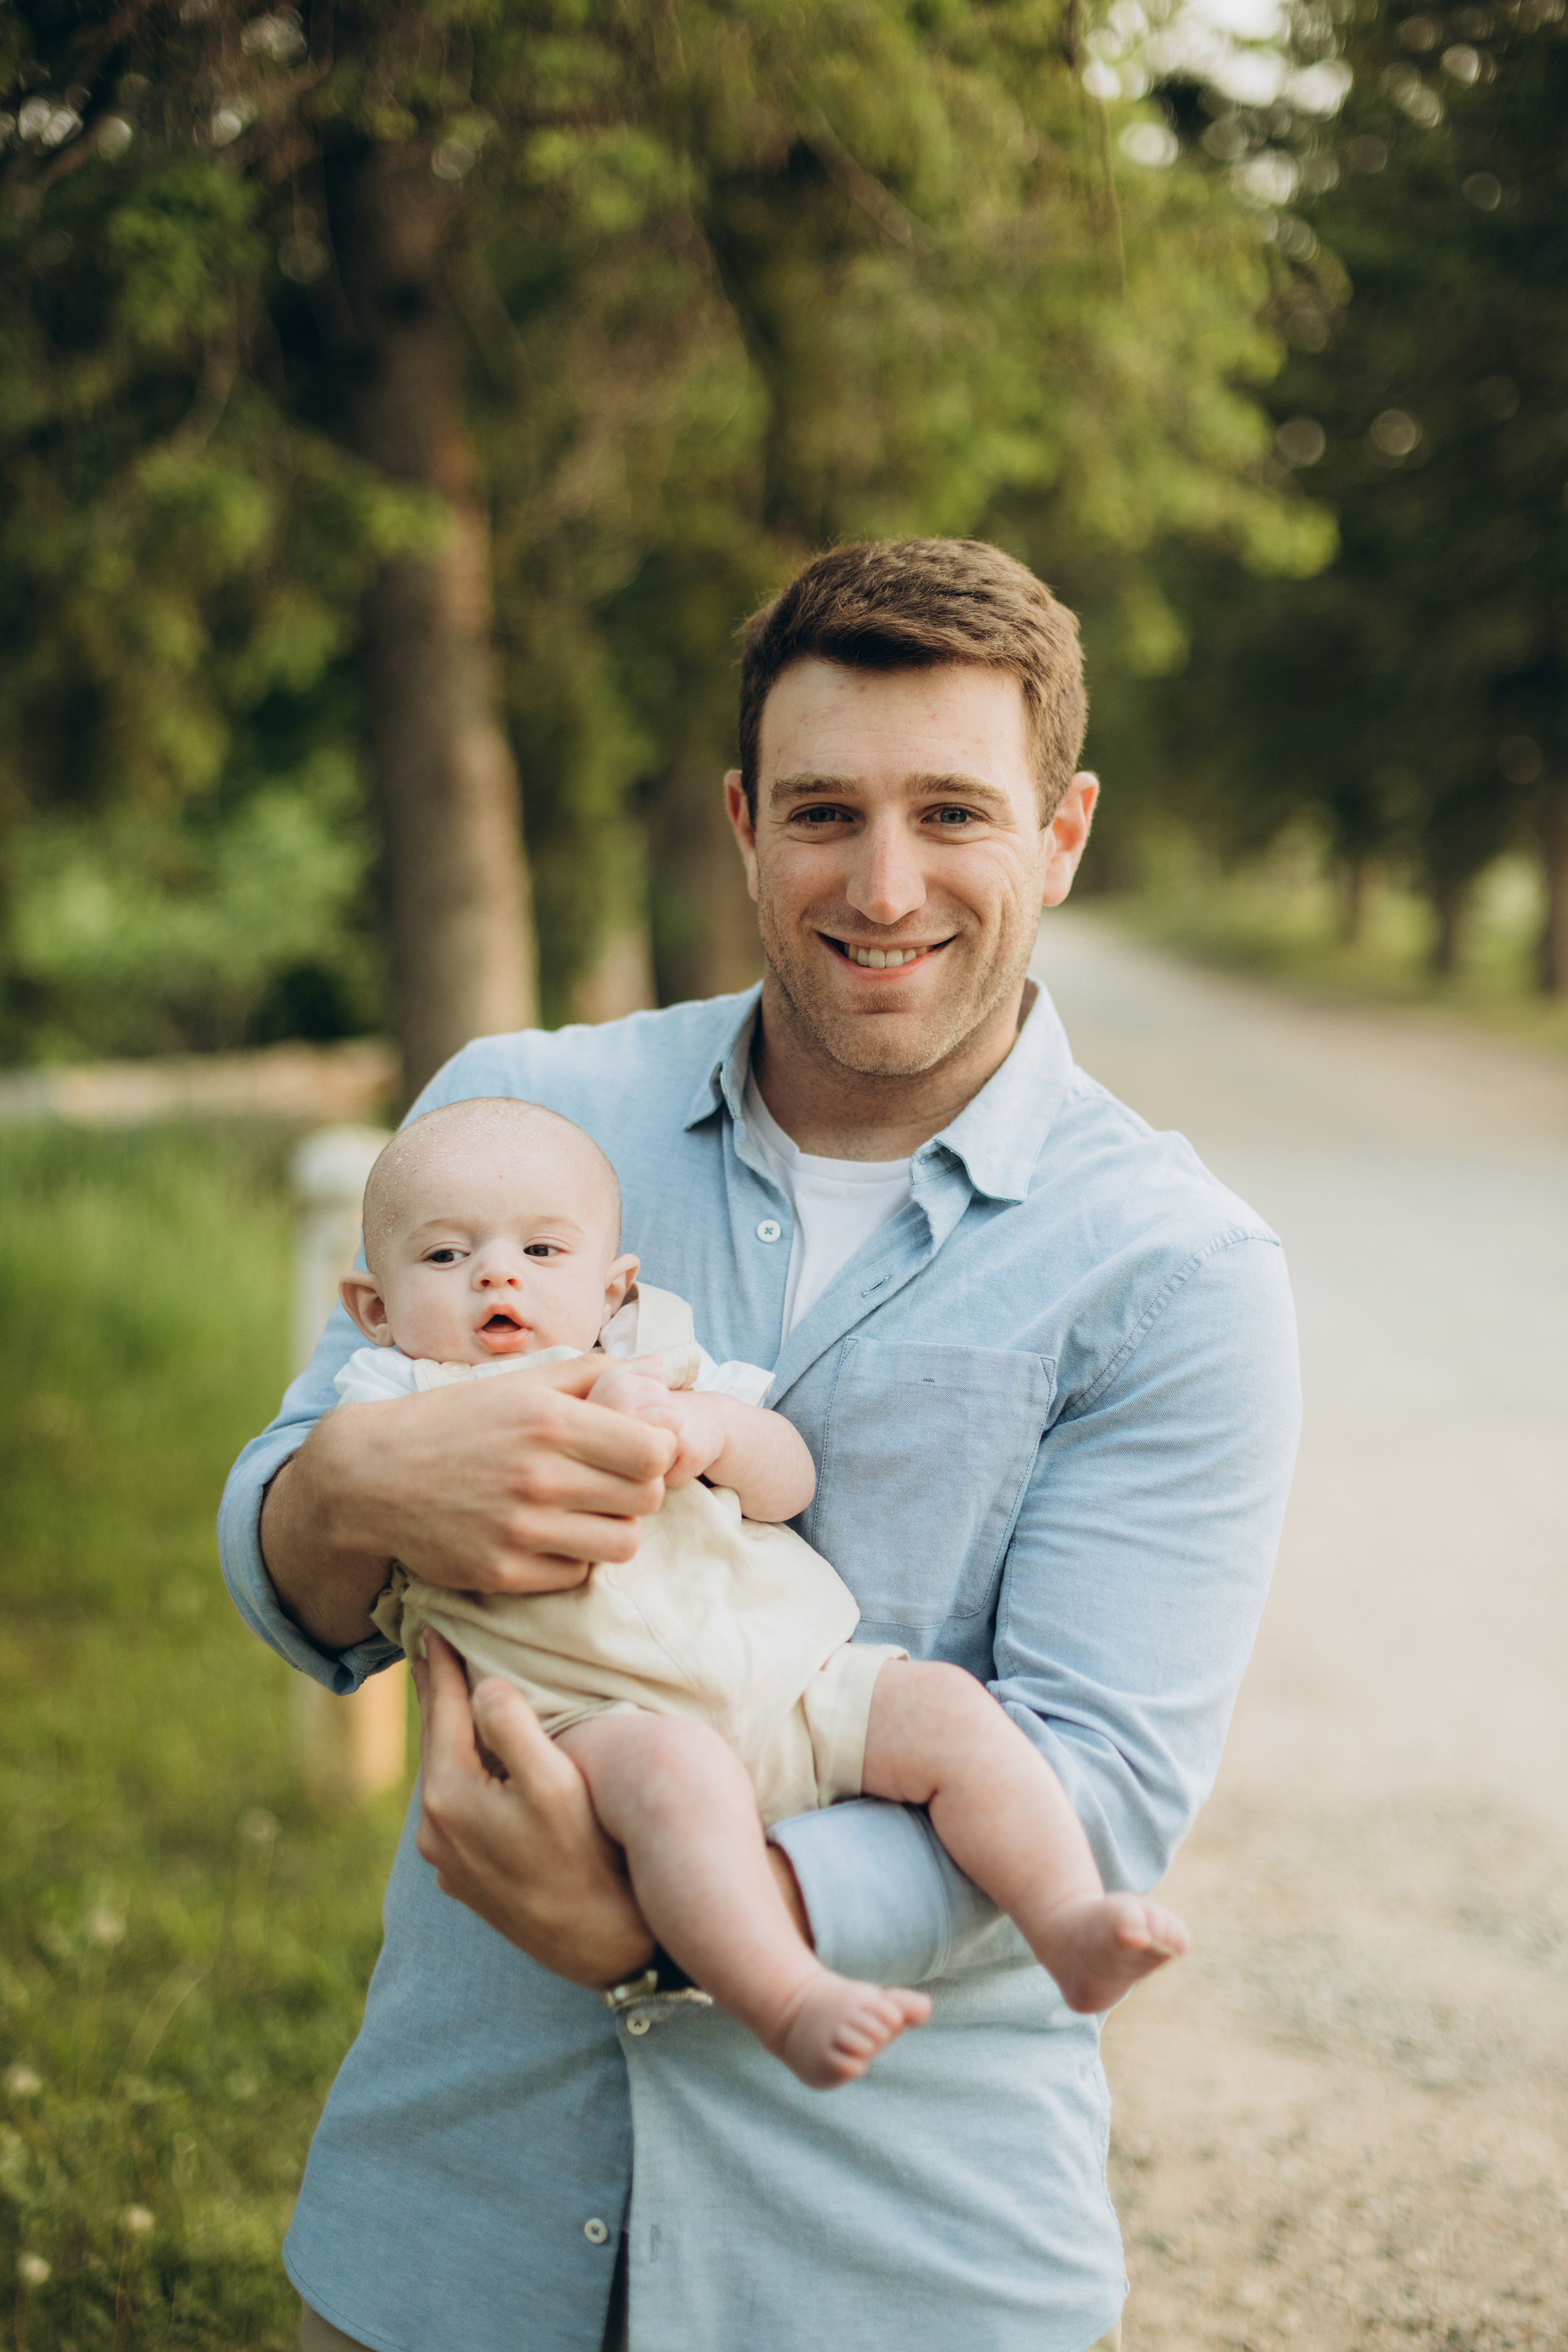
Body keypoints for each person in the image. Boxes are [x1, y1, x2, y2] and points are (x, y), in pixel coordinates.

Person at [220, 537, 1300, 2352]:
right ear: (741, 821)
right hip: (451, 2229)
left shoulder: (1178, 1273)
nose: (884, 887)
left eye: (954, 811)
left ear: (1062, 832)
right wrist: (346, 1488)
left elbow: (1096, 1786)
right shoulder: (524, 1118)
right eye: (823, 814)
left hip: (898, 2261)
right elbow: (293, 1568)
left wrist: (668, 1915)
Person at [332, 1095, 1188, 2088]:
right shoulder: (390, 1398)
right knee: (680, 1783)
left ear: (614, 1290)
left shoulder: (667, 1363)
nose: (497, 1274)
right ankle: (788, 1998)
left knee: (948, 1709)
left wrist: (712, 1433)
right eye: (444, 1258)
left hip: (790, 1682)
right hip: (591, 1719)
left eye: (543, 1252)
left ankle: (1068, 1919)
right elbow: (339, 1506)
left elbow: (791, 1479)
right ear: (377, 1308)